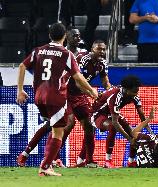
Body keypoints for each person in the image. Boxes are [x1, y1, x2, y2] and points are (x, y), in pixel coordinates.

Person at [16, 24, 98, 176]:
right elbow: (78, 78)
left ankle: (40, 159)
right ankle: (46, 166)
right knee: (57, 133)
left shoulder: (38, 50)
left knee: (52, 127)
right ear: (65, 36)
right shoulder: (66, 54)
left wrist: (20, 90)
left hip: (39, 97)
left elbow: (22, 66)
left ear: (49, 35)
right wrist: (91, 90)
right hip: (57, 97)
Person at [75, 75, 153, 168]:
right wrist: (129, 139)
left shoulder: (134, 96)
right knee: (113, 126)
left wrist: (151, 132)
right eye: (133, 92)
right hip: (97, 114)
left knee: (133, 133)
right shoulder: (116, 96)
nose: (136, 94)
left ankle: (131, 162)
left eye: (137, 91)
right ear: (126, 90)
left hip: (111, 114)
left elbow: (142, 116)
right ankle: (108, 160)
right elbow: (115, 122)